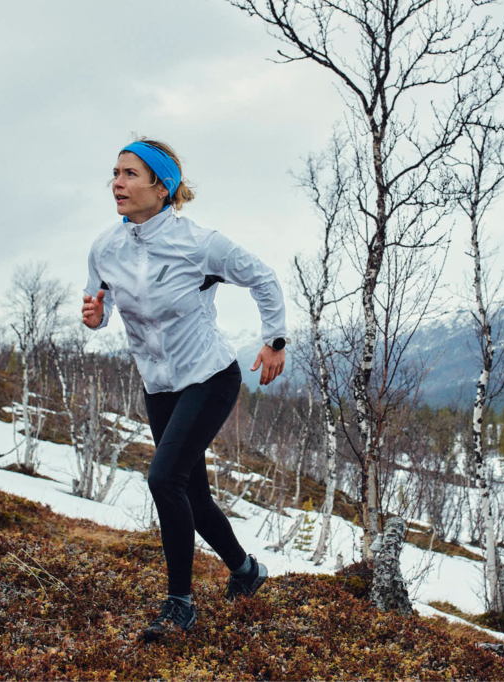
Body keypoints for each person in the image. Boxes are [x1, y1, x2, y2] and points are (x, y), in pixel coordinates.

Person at [81, 138, 287, 641]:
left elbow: (263, 277)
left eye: (130, 174)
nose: (117, 183)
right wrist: (95, 316)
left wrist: (275, 340)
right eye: (115, 173)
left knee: (163, 480)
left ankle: (181, 606)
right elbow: (100, 304)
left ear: (161, 185)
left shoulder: (199, 243)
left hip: (210, 377)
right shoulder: (105, 247)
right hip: (160, 387)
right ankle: (246, 572)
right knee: (191, 493)